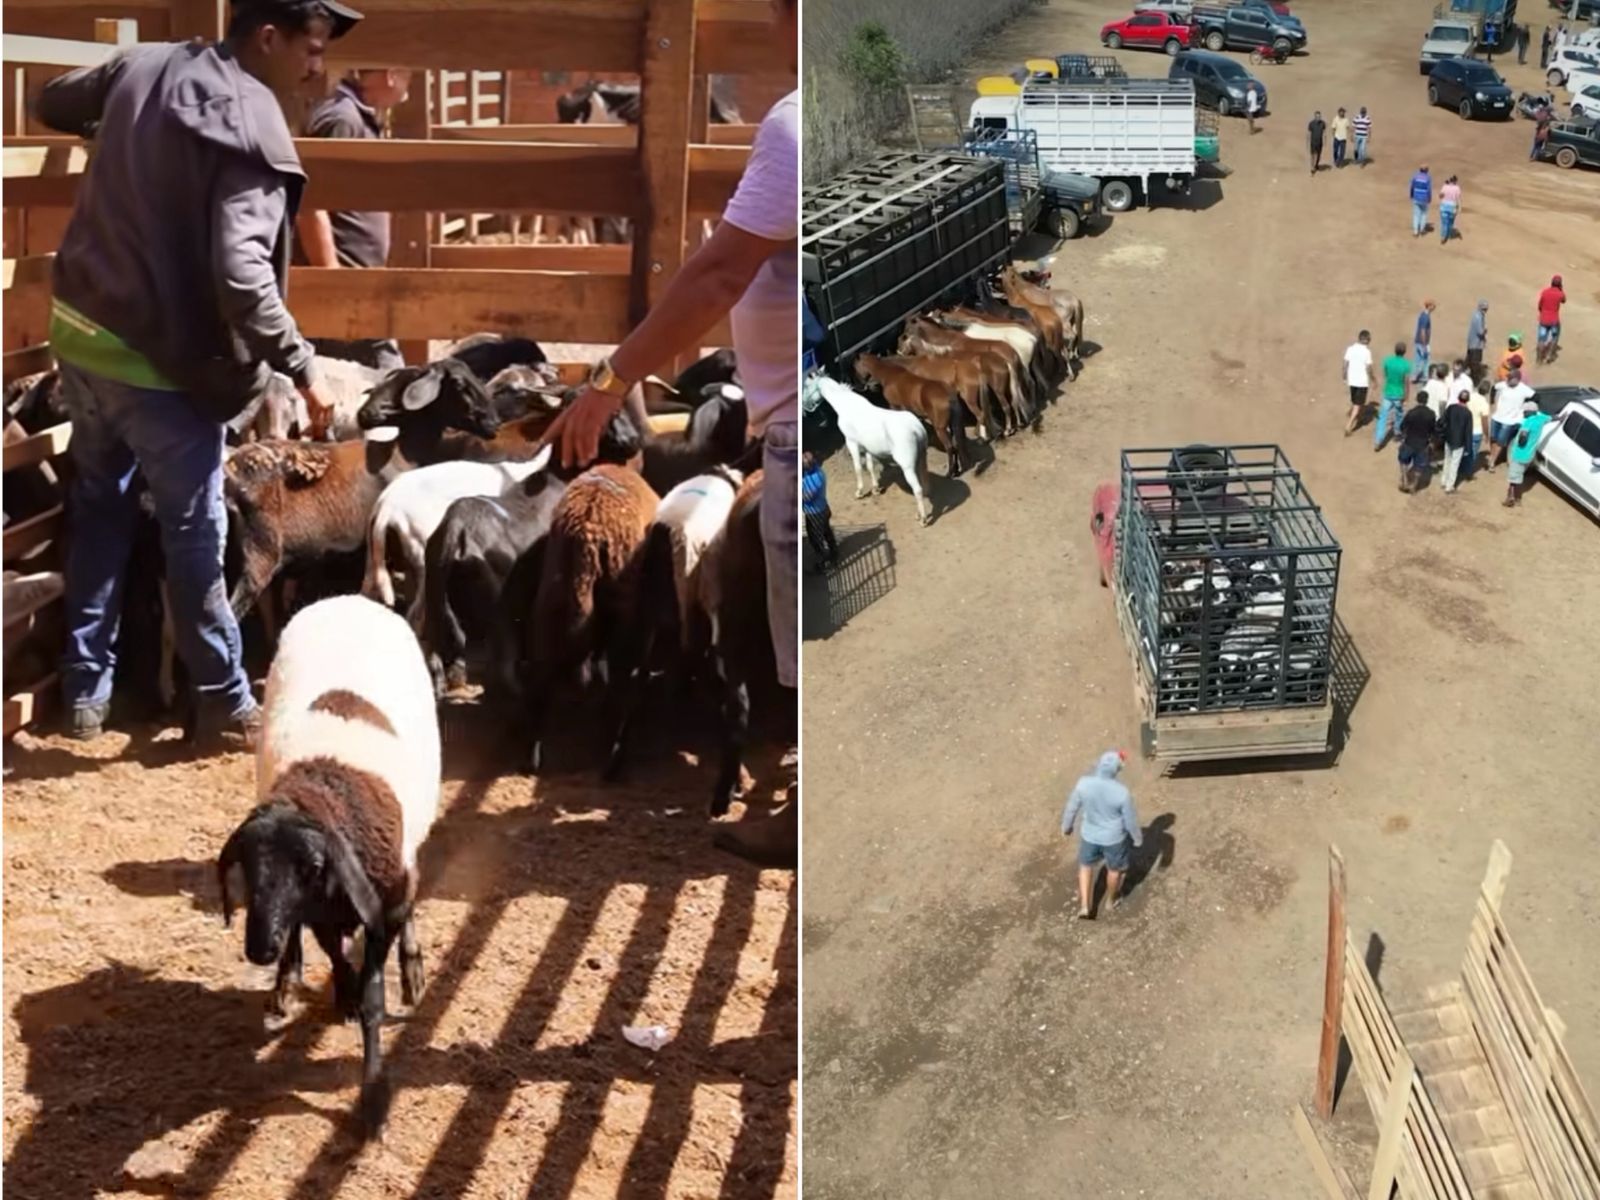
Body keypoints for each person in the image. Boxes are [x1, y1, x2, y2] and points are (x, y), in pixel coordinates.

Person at [34, 0, 358, 746]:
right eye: (310, 50)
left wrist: (117, 131)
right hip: (161, 363)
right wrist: (302, 365)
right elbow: (244, 277)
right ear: (268, 38)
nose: (317, 69)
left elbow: (50, 100)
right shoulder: (253, 127)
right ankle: (220, 696)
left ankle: (87, 693)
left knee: (102, 505)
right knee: (195, 531)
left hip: (81, 336)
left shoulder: (142, 65)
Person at [543, 0, 797, 864]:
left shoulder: (797, 125)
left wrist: (610, 378)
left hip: (806, 419)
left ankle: (806, 806)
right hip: (790, 415)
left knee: (799, 611)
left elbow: (720, 269)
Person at [294, 66, 413, 369]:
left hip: (356, 282)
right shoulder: (341, 119)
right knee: (388, 380)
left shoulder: (352, 115)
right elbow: (309, 203)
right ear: (390, 74)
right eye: (408, 74)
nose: (408, 82)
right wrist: (331, 277)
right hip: (344, 285)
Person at [1061, 750, 1142, 920]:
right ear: (1116, 770)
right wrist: (1137, 838)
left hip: (1089, 835)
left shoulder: (1083, 784)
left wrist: (1066, 827)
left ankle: (1085, 906)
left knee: (1085, 866)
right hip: (1114, 839)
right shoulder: (1122, 792)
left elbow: (1071, 807)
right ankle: (1111, 901)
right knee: (1114, 870)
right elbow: (1130, 821)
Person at [1504, 399, 1553, 507]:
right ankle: (1516, 499)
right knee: (1519, 475)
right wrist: (1562, 417)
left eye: (1525, 411)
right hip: (1530, 455)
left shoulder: (1528, 422)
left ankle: (1512, 498)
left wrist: (1521, 439)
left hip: (1519, 454)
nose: (1523, 413)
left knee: (1513, 478)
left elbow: (1522, 438)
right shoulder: (1541, 418)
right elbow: (1552, 417)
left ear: (1531, 412)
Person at [1489, 368, 1535, 470]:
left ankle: (1492, 461)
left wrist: (1527, 409)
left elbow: (1536, 397)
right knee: (1493, 438)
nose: (1508, 380)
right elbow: (1493, 388)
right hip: (1497, 416)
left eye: (1510, 378)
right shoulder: (1503, 385)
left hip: (1510, 420)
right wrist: (1492, 403)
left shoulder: (1524, 389)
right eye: (1508, 378)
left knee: (1501, 441)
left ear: (1517, 379)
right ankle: (1492, 457)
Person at [801, 450, 839, 569]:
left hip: (816, 514)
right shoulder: (812, 469)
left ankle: (823, 561)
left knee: (815, 539)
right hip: (822, 509)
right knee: (826, 531)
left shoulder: (816, 479)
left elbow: (806, 497)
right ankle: (834, 551)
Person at [1397, 391, 1436, 493]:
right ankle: (1414, 485)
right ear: (1427, 401)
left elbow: (1402, 427)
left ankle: (1405, 480)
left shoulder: (1411, 413)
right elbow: (1433, 430)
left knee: (1403, 460)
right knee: (1419, 466)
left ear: (1417, 399)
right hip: (1423, 444)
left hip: (1409, 442)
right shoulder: (1431, 414)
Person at [1375, 341, 1410, 451]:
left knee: (1382, 417)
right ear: (1404, 352)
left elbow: (1385, 374)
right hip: (1399, 394)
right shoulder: (1406, 364)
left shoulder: (1388, 361)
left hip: (1388, 393)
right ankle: (1397, 432)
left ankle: (1378, 439)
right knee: (1399, 414)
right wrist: (1406, 395)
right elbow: (1406, 381)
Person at [1439, 388, 1476, 493]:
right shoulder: (1468, 413)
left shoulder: (1451, 408)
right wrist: (1468, 448)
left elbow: (1442, 421)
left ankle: (1443, 481)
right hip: (1459, 442)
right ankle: (1449, 486)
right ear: (1467, 400)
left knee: (1447, 460)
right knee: (1454, 464)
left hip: (1449, 438)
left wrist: (1441, 433)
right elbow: (1468, 432)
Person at [1343, 329, 1374, 437]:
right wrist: (1374, 379)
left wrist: (1344, 375)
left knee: (1355, 401)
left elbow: (1345, 363)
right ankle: (1349, 425)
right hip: (1361, 382)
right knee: (1357, 404)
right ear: (1366, 340)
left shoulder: (1350, 349)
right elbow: (1369, 368)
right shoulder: (1367, 352)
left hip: (1352, 380)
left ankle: (1359, 416)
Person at [1463, 374, 1491, 480]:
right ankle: (1468, 473)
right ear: (1487, 392)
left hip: (1466, 429)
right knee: (1472, 454)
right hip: (1476, 431)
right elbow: (1484, 421)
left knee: (1464, 450)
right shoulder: (1484, 404)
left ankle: (1462, 468)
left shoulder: (1470, 396)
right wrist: (1486, 435)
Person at [1536, 274, 1565, 364]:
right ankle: (1549, 356)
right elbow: (1564, 300)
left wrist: (1542, 313)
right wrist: (1561, 289)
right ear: (1560, 284)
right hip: (1554, 321)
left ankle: (1539, 359)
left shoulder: (1545, 292)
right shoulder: (1560, 294)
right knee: (1554, 337)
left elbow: (1540, 306)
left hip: (1543, 320)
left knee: (1541, 339)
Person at [1466, 299, 1489, 381]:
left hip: (1472, 343)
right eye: (1484, 309)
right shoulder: (1478, 317)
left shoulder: (1476, 315)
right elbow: (1480, 332)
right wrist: (1485, 331)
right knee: (1475, 364)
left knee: (1469, 362)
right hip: (1476, 345)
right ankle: (1474, 380)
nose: (1485, 311)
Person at [1413, 298, 1435, 383]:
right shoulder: (1425, 317)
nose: (1434, 307)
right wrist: (1424, 344)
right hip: (1423, 342)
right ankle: (1424, 376)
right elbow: (1423, 331)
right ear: (1429, 306)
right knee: (1426, 359)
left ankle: (1415, 376)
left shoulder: (1422, 314)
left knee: (1418, 359)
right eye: (1433, 306)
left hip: (1418, 341)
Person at [1409, 165, 1432, 237]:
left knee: (1416, 215)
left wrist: (1411, 195)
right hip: (1424, 198)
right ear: (1426, 171)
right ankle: (1422, 230)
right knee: (1424, 214)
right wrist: (1429, 198)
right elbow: (1429, 190)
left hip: (1416, 197)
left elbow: (1412, 186)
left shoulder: (1415, 176)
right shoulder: (1428, 178)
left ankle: (1415, 232)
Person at [1438, 175, 1461, 243]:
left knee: (1444, 223)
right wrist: (1459, 208)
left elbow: (1440, 196)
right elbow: (1458, 198)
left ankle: (1443, 236)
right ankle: (1447, 235)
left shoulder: (1445, 186)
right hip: (1452, 208)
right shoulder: (1457, 188)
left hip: (1444, 207)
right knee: (1450, 223)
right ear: (1455, 181)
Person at [1307, 110, 1326, 174]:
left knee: (1318, 155)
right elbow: (1309, 133)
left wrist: (1325, 140)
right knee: (1312, 155)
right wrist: (1308, 141)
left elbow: (1324, 133)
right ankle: (1312, 167)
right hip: (1313, 142)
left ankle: (1316, 164)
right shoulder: (1311, 123)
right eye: (1317, 117)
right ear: (1315, 117)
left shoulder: (1323, 123)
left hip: (1320, 142)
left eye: (1319, 116)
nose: (1318, 118)